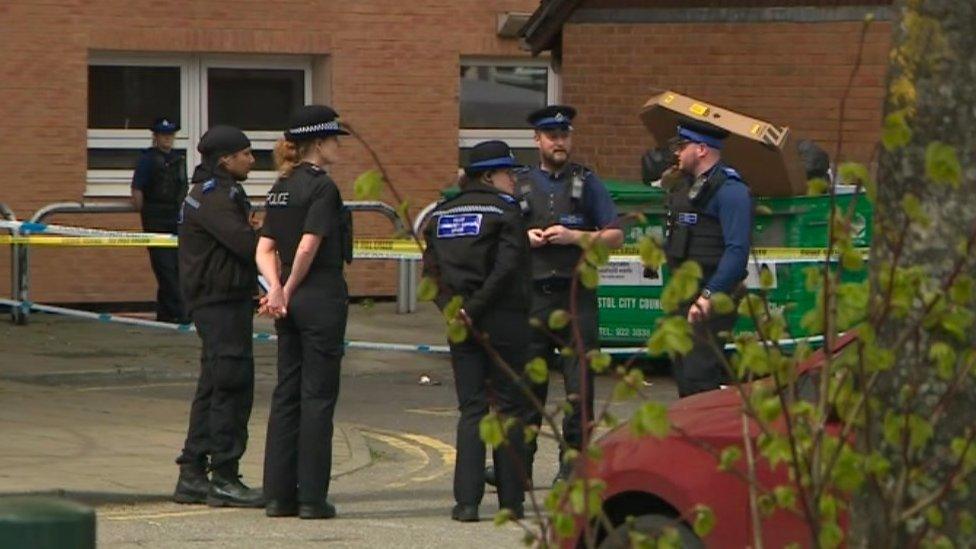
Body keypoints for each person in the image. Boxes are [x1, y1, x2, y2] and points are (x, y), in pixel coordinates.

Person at [422, 140, 530, 522]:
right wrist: (476, 308)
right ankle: (511, 501)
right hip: (503, 320)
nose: (514, 181)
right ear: (489, 175)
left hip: (458, 322)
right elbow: (507, 268)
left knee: (471, 409)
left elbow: (430, 271)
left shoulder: (442, 212)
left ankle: (466, 502)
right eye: (509, 174)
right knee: (509, 408)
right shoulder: (506, 211)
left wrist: (455, 310)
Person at [516, 105, 624, 485]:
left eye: (564, 135)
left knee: (581, 389)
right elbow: (498, 236)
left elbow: (615, 235)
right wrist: (522, 239)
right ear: (538, 140)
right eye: (551, 136)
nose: (559, 142)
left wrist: (575, 237)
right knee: (528, 387)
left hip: (577, 298)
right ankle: (519, 469)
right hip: (533, 298)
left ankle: (573, 466)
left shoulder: (587, 182)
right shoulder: (520, 183)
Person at [257, 105, 353, 520]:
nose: (337, 147)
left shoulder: (280, 185)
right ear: (318, 143)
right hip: (319, 295)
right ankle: (312, 497)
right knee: (317, 398)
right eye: (334, 139)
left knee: (286, 394)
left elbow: (264, 248)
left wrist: (275, 289)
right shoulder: (323, 188)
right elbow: (309, 246)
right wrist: (290, 287)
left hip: (288, 301)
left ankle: (278, 496)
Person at [172, 125, 263, 508]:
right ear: (225, 159)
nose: (252, 160)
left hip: (220, 299)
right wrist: (272, 232)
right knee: (231, 385)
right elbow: (245, 243)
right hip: (221, 301)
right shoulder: (214, 196)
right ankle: (224, 475)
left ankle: (193, 474)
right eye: (245, 153)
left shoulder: (214, 192)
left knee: (213, 385)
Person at [663, 120, 753, 397]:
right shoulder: (685, 188)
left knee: (699, 374)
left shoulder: (731, 191)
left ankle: (707, 437)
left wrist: (709, 296)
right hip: (684, 292)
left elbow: (737, 251)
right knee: (684, 373)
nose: (677, 152)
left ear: (701, 149)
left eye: (683, 146)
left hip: (712, 293)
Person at [131, 117, 189, 323]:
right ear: (155, 137)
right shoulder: (148, 159)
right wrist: (142, 210)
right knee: (164, 266)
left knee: (176, 266)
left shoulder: (178, 159)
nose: (167, 139)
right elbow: (137, 188)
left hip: (175, 216)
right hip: (155, 217)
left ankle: (166, 314)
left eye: (170, 135)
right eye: (163, 135)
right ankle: (181, 313)